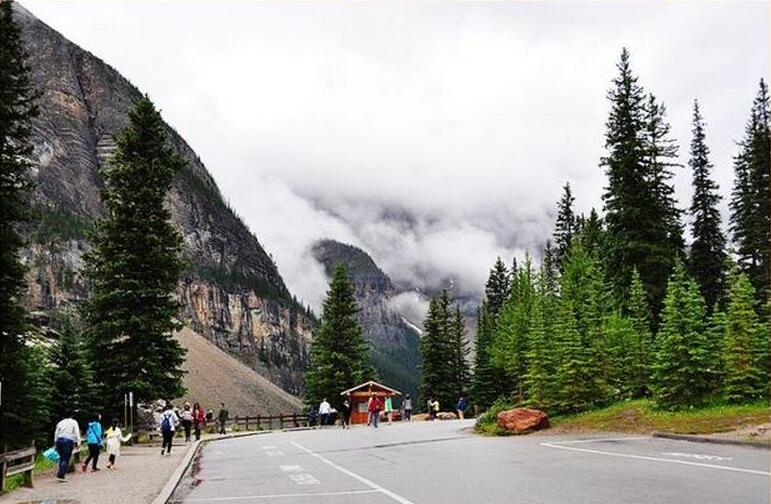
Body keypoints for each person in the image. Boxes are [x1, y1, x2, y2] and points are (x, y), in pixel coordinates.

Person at [53, 414, 81, 482]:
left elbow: (56, 433)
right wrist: (78, 442)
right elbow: (77, 432)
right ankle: (61, 475)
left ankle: (61, 473)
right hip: (68, 441)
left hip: (59, 440)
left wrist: (55, 443)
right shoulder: (74, 422)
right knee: (66, 458)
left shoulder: (60, 422)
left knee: (62, 457)